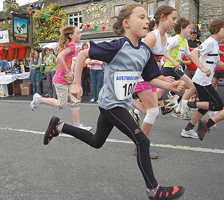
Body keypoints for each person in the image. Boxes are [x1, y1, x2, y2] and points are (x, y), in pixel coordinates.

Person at [43, 3, 185, 200]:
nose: (147, 21)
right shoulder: (117, 46)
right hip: (111, 105)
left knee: (96, 141)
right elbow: (83, 54)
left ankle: (59, 126)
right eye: (142, 17)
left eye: (147, 17)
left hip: (119, 104)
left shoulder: (144, 51)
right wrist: (76, 84)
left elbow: (150, 77)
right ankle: (154, 190)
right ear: (126, 23)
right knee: (142, 141)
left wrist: (170, 86)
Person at [131, 5, 177, 159]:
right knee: (153, 111)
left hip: (150, 78)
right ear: (162, 17)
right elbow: (142, 60)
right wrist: (161, 78)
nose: (175, 22)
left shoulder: (164, 38)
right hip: (141, 77)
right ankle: (140, 147)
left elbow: (157, 61)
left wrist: (161, 76)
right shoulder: (152, 36)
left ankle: (126, 102)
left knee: (152, 112)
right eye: (173, 18)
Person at [30, 25, 92, 131]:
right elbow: (59, 57)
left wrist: (71, 72)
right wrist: (68, 72)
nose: (80, 35)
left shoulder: (72, 46)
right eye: (78, 33)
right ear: (71, 35)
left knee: (75, 100)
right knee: (61, 104)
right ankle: (39, 99)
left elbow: (70, 62)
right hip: (61, 80)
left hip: (68, 79)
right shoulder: (71, 45)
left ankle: (77, 125)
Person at [181, 20, 224, 141]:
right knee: (218, 105)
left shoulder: (215, 43)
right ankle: (187, 104)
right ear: (218, 29)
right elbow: (194, 53)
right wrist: (202, 67)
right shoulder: (210, 42)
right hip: (202, 80)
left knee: (204, 107)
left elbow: (217, 62)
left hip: (205, 80)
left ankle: (188, 129)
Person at [157, 18, 196, 122]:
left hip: (175, 69)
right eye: (188, 28)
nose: (190, 30)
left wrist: (201, 53)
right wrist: (174, 61)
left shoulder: (185, 42)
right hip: (169, 68)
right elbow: (162, 50)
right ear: (182, 28)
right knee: (157, 94)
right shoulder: (174, 39)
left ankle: (178, 108)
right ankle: (178, 108)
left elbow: (189, 56)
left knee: (192, 87)